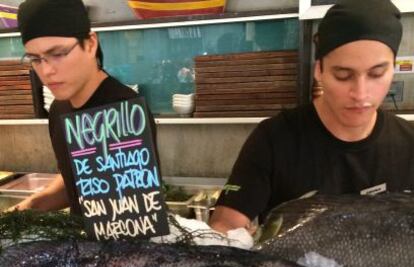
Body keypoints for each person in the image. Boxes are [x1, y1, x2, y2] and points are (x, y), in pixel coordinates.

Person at [209, 0, 414, 234]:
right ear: (319, 71)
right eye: (343, 75)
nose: (360, 93)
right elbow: (225, 225)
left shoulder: (408, 145)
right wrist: (229, 237)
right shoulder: (273, 140)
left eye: (376, 74)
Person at [10, 0, 158, 214]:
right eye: (35, 58)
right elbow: (77, 183)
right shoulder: (59, 108)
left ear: (90, 44)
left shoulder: (123, 112)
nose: (46, 70)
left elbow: (130, 220)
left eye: (58, 54)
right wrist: (28, 208)